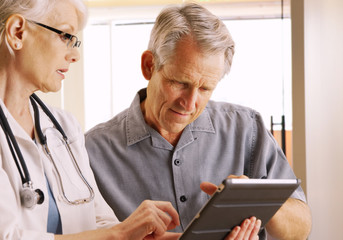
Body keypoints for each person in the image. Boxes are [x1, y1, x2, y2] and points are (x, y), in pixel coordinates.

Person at [0, 0, 186, 239]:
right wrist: (118, 235)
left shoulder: (63, 126)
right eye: (65, 36)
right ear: (17, 32)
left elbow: (99, 221)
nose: (75, 54)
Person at [85, 3, 312, 240]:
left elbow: (301, 228)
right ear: (149, 66)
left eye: (205, 88)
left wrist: (256, 201)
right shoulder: (90, 151)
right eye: (180, 83)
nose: (190, 103)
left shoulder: (247, 128)